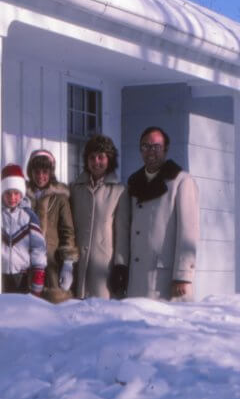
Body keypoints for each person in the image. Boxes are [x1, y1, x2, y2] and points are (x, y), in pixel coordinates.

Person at [127, 126, 199, 301]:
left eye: (156, 146)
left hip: (164, 280)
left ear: (165, 149)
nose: (151, 151)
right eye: (145, 146)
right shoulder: (134, 182)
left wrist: (183, 276)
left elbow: (188, 233)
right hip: (137, 277)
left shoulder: (181, 181)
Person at [70, 135, 130, 299]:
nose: (96, 162)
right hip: (77, 264)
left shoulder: (119, 191)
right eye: (92, 157)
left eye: (101, 157)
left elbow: (122, 233)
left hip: (104, 265)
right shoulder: (75, 189)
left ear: (109, 159)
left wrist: (120, 265)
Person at [25, 149, 79, 303]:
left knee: (52, 306)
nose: (41, 176)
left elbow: (67, 232)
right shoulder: (22, 196)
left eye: (45, 171)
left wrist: (68, 263)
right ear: (30, 172)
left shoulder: (60, 199)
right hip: (25, 263)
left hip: (51, 264)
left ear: (51, 172)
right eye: (37, 172)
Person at [1, 163, 47, 295]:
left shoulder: (29, 217)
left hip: (22, 276)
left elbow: (38, 247)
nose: (12, 198)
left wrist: (38, 274)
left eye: (16, 193)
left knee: (19, 311)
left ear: (21, 194)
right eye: (8, 193)